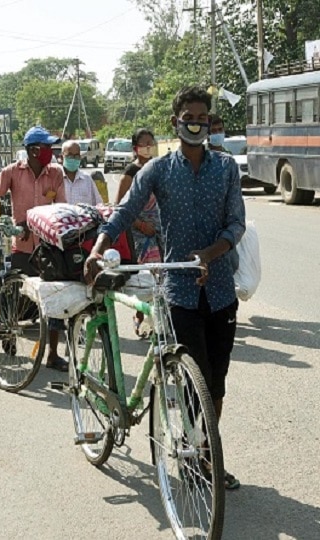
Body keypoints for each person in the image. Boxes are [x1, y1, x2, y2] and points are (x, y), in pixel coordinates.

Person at [84, 86, 245, 489]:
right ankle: (195, 454)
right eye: (188, 117)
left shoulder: (225, 168)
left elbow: (236, 224)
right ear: (175, 123)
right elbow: (124, 213)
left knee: (217, 381)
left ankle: (205, 452)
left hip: (220, 287)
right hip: (178, 289)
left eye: (202, 118)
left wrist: (211, 253)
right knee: (194, 378)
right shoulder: (157, 171)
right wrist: (98, 249)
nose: (196, 123)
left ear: (209, 123)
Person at [0, 126, 69, 372]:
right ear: (33, 150)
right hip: (21, 245)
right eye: (46, 148)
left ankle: (53, 354)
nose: (50, 152)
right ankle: (7, 330)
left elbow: (61, 207)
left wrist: (36, 223)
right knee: (11, 292)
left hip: (47, 247)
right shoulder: (13, 172)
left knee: (53, 297)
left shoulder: (56, 173)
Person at [114, 128, 162, 338]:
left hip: (159, 231)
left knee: (161, 277)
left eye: (151, 142)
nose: (148, 146)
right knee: (147, 277)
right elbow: (120, 207)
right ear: (135, 148)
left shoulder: (159, 168)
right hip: (140, 234)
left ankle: (157, 320)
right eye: (144, 143)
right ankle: (142, 317)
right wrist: (141, 225)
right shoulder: (131, 173)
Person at [61, 140, 103, 205]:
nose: (73, 159)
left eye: (76, 156)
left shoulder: (87, 179)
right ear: (62, 156)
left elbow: (98, 204)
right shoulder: (55, 179)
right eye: (70, 155)